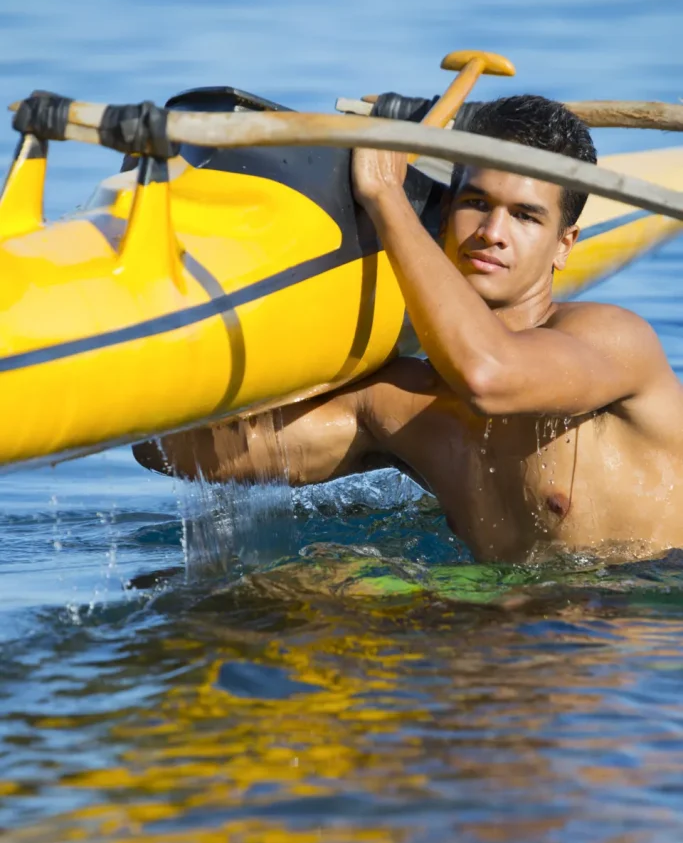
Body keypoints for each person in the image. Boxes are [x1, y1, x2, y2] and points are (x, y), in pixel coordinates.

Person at [133, 95, 683, 564]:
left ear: (565, 245)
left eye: (526, 216)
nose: (492, 232)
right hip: (494, 628)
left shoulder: (613, 340)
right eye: (475, 203)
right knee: (307, 587)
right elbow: (175, 453)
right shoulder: (398, 402)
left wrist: (385, 195)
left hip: (629, 627)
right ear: (443, 218)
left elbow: (488, 377)